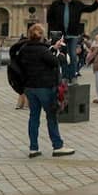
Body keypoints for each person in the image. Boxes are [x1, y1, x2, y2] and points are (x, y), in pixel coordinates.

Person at [17, 24, 75, 158]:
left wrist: (53, 48)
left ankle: (33, 148)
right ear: (42, 36)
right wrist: (60, 52)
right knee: (51, 116)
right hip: (44, 87)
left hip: (30, 87)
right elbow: (56, 62)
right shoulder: (43, 50)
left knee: (34, 117)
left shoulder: (24, 49)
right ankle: (57, 146)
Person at [46, 0, 98, 83]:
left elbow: (89, 9)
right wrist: (53, 31)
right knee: (63, 56)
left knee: (73, 55)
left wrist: (97, 2)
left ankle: (73, 76)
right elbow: (49, 18)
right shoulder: (55, 4)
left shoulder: (77, 4)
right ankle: (65, 76)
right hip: (61, 35)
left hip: (73, 35)